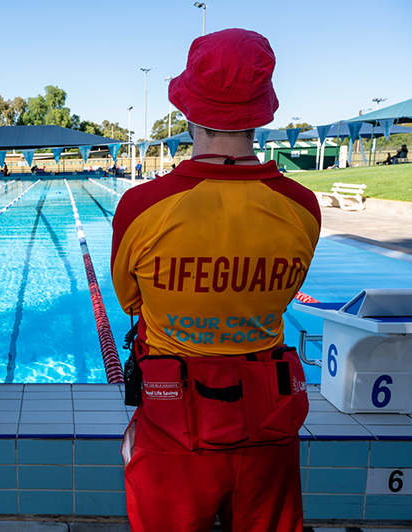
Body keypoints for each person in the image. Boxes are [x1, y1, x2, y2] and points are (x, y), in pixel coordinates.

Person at [111, 29, 320, 532]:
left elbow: (129, 301)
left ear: (187, 110)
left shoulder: (143, 208)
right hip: (269, 420)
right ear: (262, 111)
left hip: (173, 423)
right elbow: (285, 295)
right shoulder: (301, 207)